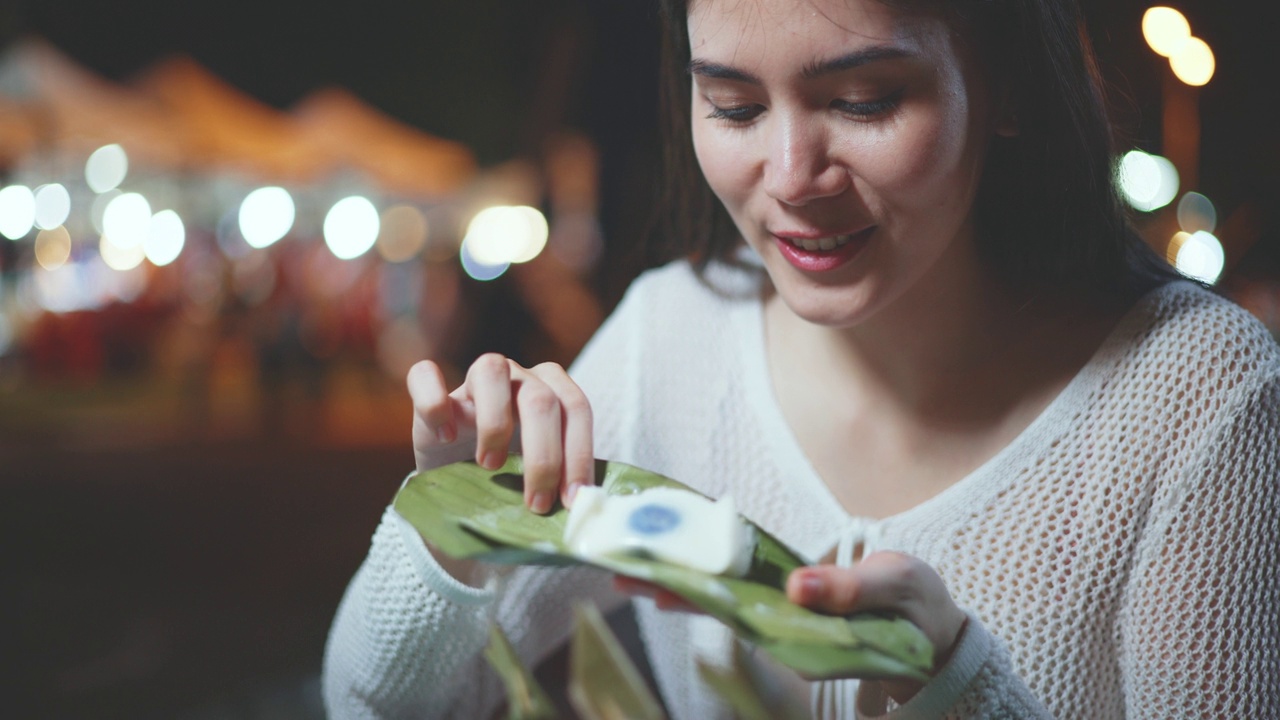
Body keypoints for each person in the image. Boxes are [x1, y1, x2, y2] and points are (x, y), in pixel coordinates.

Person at [322, 0, 1280, 716]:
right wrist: (450, 533)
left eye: (863, 101)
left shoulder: (1201, 396)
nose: (789, 177)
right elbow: (375, 705)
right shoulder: (669, 338)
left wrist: (953, 683)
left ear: (1009, 86)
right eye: (733, 107)